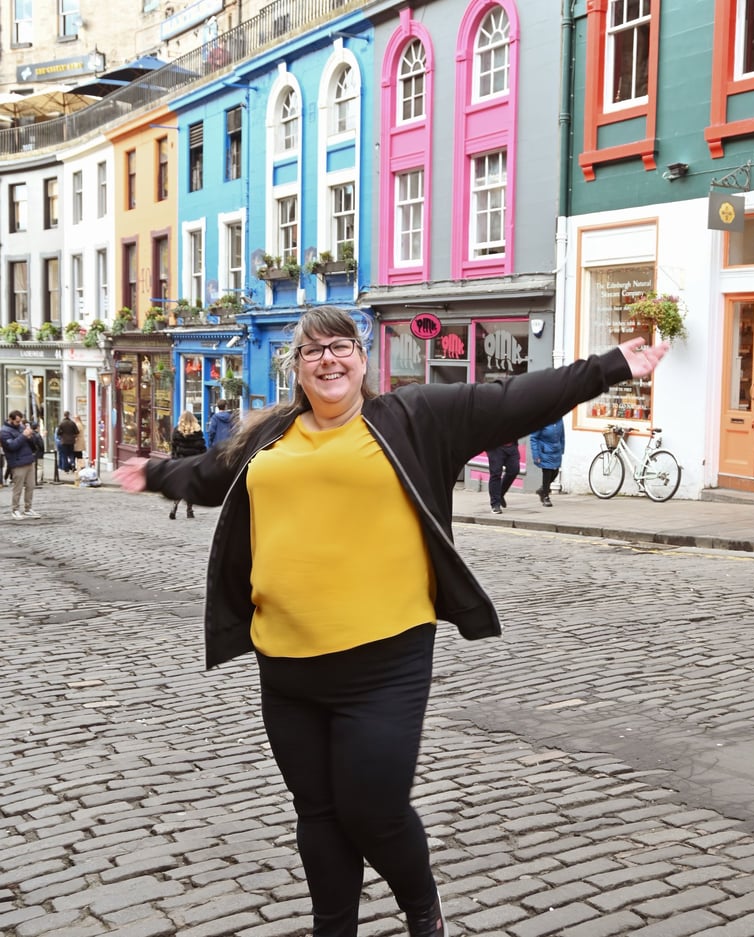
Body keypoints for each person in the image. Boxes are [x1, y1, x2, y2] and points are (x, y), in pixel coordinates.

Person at [114, 307, 669, 937]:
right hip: (287, 665)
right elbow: (209, 475)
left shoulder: (414, 416)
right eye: (312, 350)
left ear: (362, 357)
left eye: (341, 346)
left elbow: (515, 399)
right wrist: (154, 472)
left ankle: (423, 911)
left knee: (372, 809)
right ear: (296, 366)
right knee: (317, 813)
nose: (328, 359)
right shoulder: (268, 434)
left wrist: (610, 367)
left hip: (384, 661)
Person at [0, 410, 41, 520]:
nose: (19, 423)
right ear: (11, 419)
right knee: (18, 488)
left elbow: (32, 444)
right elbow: (12, 446)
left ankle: (28, 508)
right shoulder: (4, 432)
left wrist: (31, 436)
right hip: (17, 462)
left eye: (20, 421)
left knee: (30, 486)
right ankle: (15, 510)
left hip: (28, 459)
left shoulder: (21, 427)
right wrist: (23, 436)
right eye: (17, 421)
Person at [168, 411, 207, 519]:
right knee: (191, 487)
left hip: (180, 463)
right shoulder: (198, 431)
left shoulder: (177, 430)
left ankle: (174, 506)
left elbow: (173, 448)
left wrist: (174, 461)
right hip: (193, 463)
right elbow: (202, 449)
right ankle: (189, 510)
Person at [530, 418, 565, 507]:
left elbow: (562, 436)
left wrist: (562, 449)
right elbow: (533, 438)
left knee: (555, 472)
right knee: (547, 473)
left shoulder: (559, 420)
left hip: (556, 450)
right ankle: (546, 496)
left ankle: (542, 489)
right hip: (544, 450)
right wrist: (536, 455)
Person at [486, 440, 520, 514]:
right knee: (496, 474)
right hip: (495, 448)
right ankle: (495, 504)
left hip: (512, 446)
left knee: (514, 470)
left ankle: (500, 494)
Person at [29, 420, 46, 487]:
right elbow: (41, 445)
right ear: (37, 427)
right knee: (40, 467)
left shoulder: (31, 435)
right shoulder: (38, 435)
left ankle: (33, 480)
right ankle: (37, 480)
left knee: (34, 467)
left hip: (33, 453)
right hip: (39, 453)